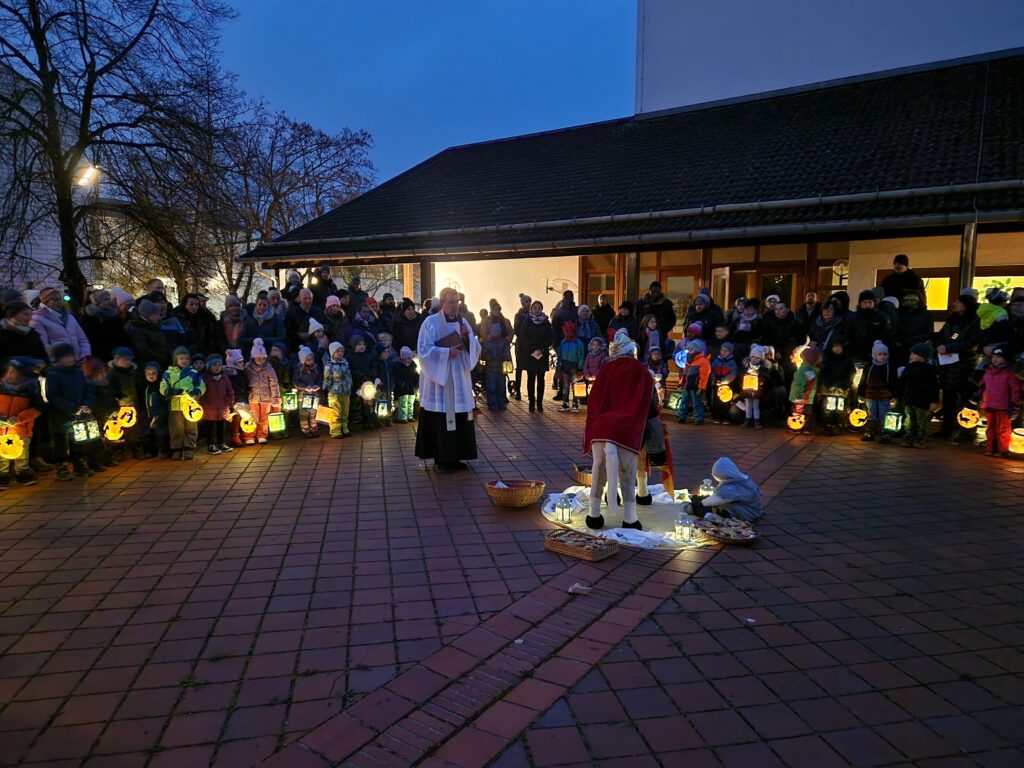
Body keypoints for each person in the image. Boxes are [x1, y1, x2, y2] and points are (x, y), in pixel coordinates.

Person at [582, 329, 656, 531]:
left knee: (598, 467)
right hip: (627, 424)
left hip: (602, 426)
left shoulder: (605, 369)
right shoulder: (641, 370)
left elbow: (594, 400)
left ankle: (594, 514)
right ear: (632, 351)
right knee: (630, 467)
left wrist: (596, 421)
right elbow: (651, 399)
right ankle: (630, 517)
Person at [415, 287, 482, 473]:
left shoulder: (464, 322)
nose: (455, 306)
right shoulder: (430, 323)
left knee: (460, 417)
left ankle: (456, 457)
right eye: (451, 302)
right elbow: (424, 351)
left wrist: (468, 339)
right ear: (442, 302)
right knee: (442, 418)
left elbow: (475, 347)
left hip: (459, 378)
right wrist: (446, 353)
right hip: (440, 382)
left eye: (457, 302)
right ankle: (441, 459)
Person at [935, 290, 982, 439]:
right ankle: (946, 428)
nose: (955, 304)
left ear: (966, 305)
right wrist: (938, 345)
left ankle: (966, 429)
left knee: (965, 397)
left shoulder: (975, 322)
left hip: (964, 364)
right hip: (947, 363)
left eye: (959, 302)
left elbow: (972, 342)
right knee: (948, 397)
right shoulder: (952, 320)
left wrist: (948, 348)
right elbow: (941, 334)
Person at [45, 342, 93, 480]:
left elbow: (87, 390)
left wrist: (86, 404)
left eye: (71, 355)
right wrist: (72, 407)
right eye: (66, 356)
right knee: (61, 441)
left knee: (78, 440)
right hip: (61, 414)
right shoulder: (53, 374)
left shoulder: (78, 372)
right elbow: (52, 396)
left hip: (79, 412)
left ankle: (80, 464)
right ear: (58, 358)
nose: (70, 359)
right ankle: (62, 467)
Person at [0, 357, 44, 486]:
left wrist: (19, 418)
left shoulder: (32, 390)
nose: (9, 374)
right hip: (1, 428)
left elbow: (38, 408)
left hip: (21, 429)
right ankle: (2, 475)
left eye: (13, 372)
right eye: (9, 371)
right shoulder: (1, 386)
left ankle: (23, 473)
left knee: (22, 453)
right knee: (1, 454)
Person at [160, 346, 206, 460]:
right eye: (181, 358)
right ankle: (177, 449)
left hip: (191, 405)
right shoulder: (169, 373)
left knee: (191, 428)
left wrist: (197, 391)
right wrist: (169, 391)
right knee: (176, 429)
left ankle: (189, 449)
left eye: (186, 358)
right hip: (175, 405)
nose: (184, 361)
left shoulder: (193, 373)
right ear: (176, 359)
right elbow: (163, 385)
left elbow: (201, 385)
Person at [685, 457, 763, 523]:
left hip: (747, 512)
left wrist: (699, 503)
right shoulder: (742, 480)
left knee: (715, 513)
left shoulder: (733, 488)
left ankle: (693, 509)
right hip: (742, 506)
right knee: (714, 503)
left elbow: (714, 500)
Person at [976, 347, 1021, 457]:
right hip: (989, 403)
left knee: (1003, 429)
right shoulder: (988, 371)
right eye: (994, 357)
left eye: (999, 357)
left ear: (1005, 359)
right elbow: (982, 385)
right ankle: (990, 448)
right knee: (990, 428)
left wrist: (1015, 403)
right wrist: (979, 396)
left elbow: (1016, 389)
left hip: (1003, 406)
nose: (995, 359)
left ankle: (1003, 450)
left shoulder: (1009, 373)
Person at [31, 287, 91, 361]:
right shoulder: (37, 319)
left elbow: (83, 340)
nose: (59, 302)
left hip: (78, 361)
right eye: (55, 300)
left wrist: (85, 355)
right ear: (45, 302)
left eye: (60, 299)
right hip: (58, 364)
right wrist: (59, 360)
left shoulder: (70, 317)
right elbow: (44, 345)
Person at [858, 340, 900, 443]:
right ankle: (871, 431)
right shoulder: (869, 367)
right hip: (870, 395)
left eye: (885, 354)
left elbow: (894, 382)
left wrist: (895, 395)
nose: (883, 356)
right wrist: (861, 393)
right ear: (874, 355)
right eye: (880, 354)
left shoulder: (890, 367)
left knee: (884, 415)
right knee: (871, 414)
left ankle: (885, 433)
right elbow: (863, 381)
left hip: (885, 396)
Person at [900, 342, 940, 449]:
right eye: (911, 354)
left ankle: (920, 438)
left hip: (923, 401)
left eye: (914, 354)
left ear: (922, 356)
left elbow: (934, 387)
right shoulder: (909, 367)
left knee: (921, 421)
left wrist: (933, 401)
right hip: (909, 399)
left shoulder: (930, 370)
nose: (911, 356)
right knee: (909, 420)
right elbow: (903, 382)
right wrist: (899, 395)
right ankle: (909, 437)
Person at [517, 300, 553, 413]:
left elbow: (550, 336)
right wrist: (531, 347)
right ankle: (532, 402)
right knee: (531, 378)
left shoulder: (546, 322)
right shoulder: (527, 321)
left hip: (542, 353)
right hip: (530, 353)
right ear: (531, 309)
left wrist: (543, 347)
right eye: (535, 307)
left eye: (539, 307)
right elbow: (523, 336)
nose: (537, 309)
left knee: (541, 379)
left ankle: (540, 403)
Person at [817, 339, 856, 435]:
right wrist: (828, 383)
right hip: (829, 388)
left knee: (840, 408)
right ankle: (828, 425)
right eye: (835, 346)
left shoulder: (847, 360)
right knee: (828, 408)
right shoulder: (827, 359)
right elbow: (823, 373)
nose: (837, 349)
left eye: (839, 346)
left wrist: (845, 384)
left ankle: (839, 425)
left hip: (841, 389)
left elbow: (851, 373)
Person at [245, 339, 281, 445]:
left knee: (264, 417)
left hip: (266, 397)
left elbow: (274, 383)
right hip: (252, 397)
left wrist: (275, 397)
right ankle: (249, 435)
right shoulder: (247, 368)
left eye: (263, 357)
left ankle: (262, 435)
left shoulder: (269, 368)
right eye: (258, 357)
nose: (261, 359)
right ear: (253, 357)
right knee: (252, 416)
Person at [80, 290, 130, 361]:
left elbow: (122, 334)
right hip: (101, 357)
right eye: (105, 300)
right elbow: (92, 340)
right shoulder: (89, 318)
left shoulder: (113, 314)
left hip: (119, 354)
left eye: (109, 299)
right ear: (97, 302)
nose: (109, 301)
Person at [200, 354, 234, 455]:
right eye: (214, 365)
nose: (217, 367)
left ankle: (221, 443)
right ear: (209, 366)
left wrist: (230, 402)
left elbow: (230, 391)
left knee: (222, 427)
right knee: (210, 427)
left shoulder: (224, 378)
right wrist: (203, 404)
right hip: (209, 408)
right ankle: (211, 444)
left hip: (222, 407)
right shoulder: (204, 378)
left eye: (219, 365)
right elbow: (201, 393)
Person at [849, 290, 891, 364]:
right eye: (865, 302)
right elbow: (849, 334)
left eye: (870, 302)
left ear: (874, 303)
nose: (867, 304)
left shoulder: (881, 317)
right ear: (860, 303)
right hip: (856, 355)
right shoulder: (853, 317)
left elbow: (886, 335)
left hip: (876, 355)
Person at [676, 339, 710, 425]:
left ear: (697, 350)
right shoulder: (688, 360)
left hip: (695, 386)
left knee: (696, 402)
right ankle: (681, 416)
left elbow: (704, 376)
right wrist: (681, 383)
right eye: (689, 349)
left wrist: (701, 387)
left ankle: (698, 418)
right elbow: (685, 373)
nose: (689, 351)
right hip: (687, 385)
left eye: (692, 349)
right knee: (684, 401)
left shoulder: (703, 361)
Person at [323, 342, 353, 437]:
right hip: (335, 393)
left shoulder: (345, 363)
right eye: (337, 351)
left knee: (345, 411)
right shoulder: (329, 365)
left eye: (341, 351)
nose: (340, 353)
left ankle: (344, 427)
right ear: (332, 353)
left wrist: (350, 385)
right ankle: (335, 430)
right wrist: (325, 388)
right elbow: (327, 378)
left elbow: (349, 376)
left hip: (346, 391)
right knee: (335, 412)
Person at [789, 346, 821, 431]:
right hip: (800, 397)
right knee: (799, 413)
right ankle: (798, 427)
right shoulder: (806, 370)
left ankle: (806, 427)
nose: (821, 359)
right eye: (819, 357)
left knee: (807, 412)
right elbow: (799, 384)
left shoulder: (812, 370)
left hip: (807, 397)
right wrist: (799, 396)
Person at [293, 346, 322, 438]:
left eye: (311, 359)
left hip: (314, 394)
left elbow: (320, 378)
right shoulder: (299, 370)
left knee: (314, 412)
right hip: (304, 394)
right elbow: (295, 382)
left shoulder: (316, 369)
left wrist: (318, 385)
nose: (310, 361)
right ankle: (305, 429)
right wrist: (305, 387)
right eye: (308, 359)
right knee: (304, 413)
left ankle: (314, 428)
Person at [481, 323, 511, 411]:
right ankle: (493, 404)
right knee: (491, 388)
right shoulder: (487, 342)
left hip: (501, 369)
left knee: (501, 387)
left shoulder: (504, 342)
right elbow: (483, 354)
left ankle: (501, 403)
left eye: (498, 331)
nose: (496, 333)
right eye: (494, 331)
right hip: (491, 369)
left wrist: (507, 369)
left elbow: (507, 356)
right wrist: (488, 357)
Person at [709, 342, 738, 425]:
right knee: (716, 401)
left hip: (727, 385)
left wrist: (724, 381)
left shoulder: (732, 362)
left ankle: (725, 417)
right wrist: (714, 380)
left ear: (730, 352)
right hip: (717, 384)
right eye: (722, 350)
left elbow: (733, 374)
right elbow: (712, 371)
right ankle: (717, 417)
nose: (723, 352)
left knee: (726, 402)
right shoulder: (716, 361)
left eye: (726, 351)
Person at [741, 344, 767, 429]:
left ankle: (757, 421)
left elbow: (765, 377)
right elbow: (740, 375)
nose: (754, 359)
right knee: (748, 404)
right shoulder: (746, 366)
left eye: (757, 358)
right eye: (753, 357)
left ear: (761, 359)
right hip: (747, 388)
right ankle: (747, 420)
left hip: (757, 390)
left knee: (756, 405)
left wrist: (759, 375)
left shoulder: (762, 368)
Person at [393, 346, 419, 424]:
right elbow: (396, 377)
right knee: (403, 403)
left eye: (411, 358)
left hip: (411, 388)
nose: (410, 360)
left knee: (411, 402)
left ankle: (410, 416)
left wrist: (417, 380)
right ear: (403, 358)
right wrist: (401, 383)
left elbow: (415, 374)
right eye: (408, 358)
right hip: (402, 388)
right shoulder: (398, 366)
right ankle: (402, 417)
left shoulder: (412, 365)